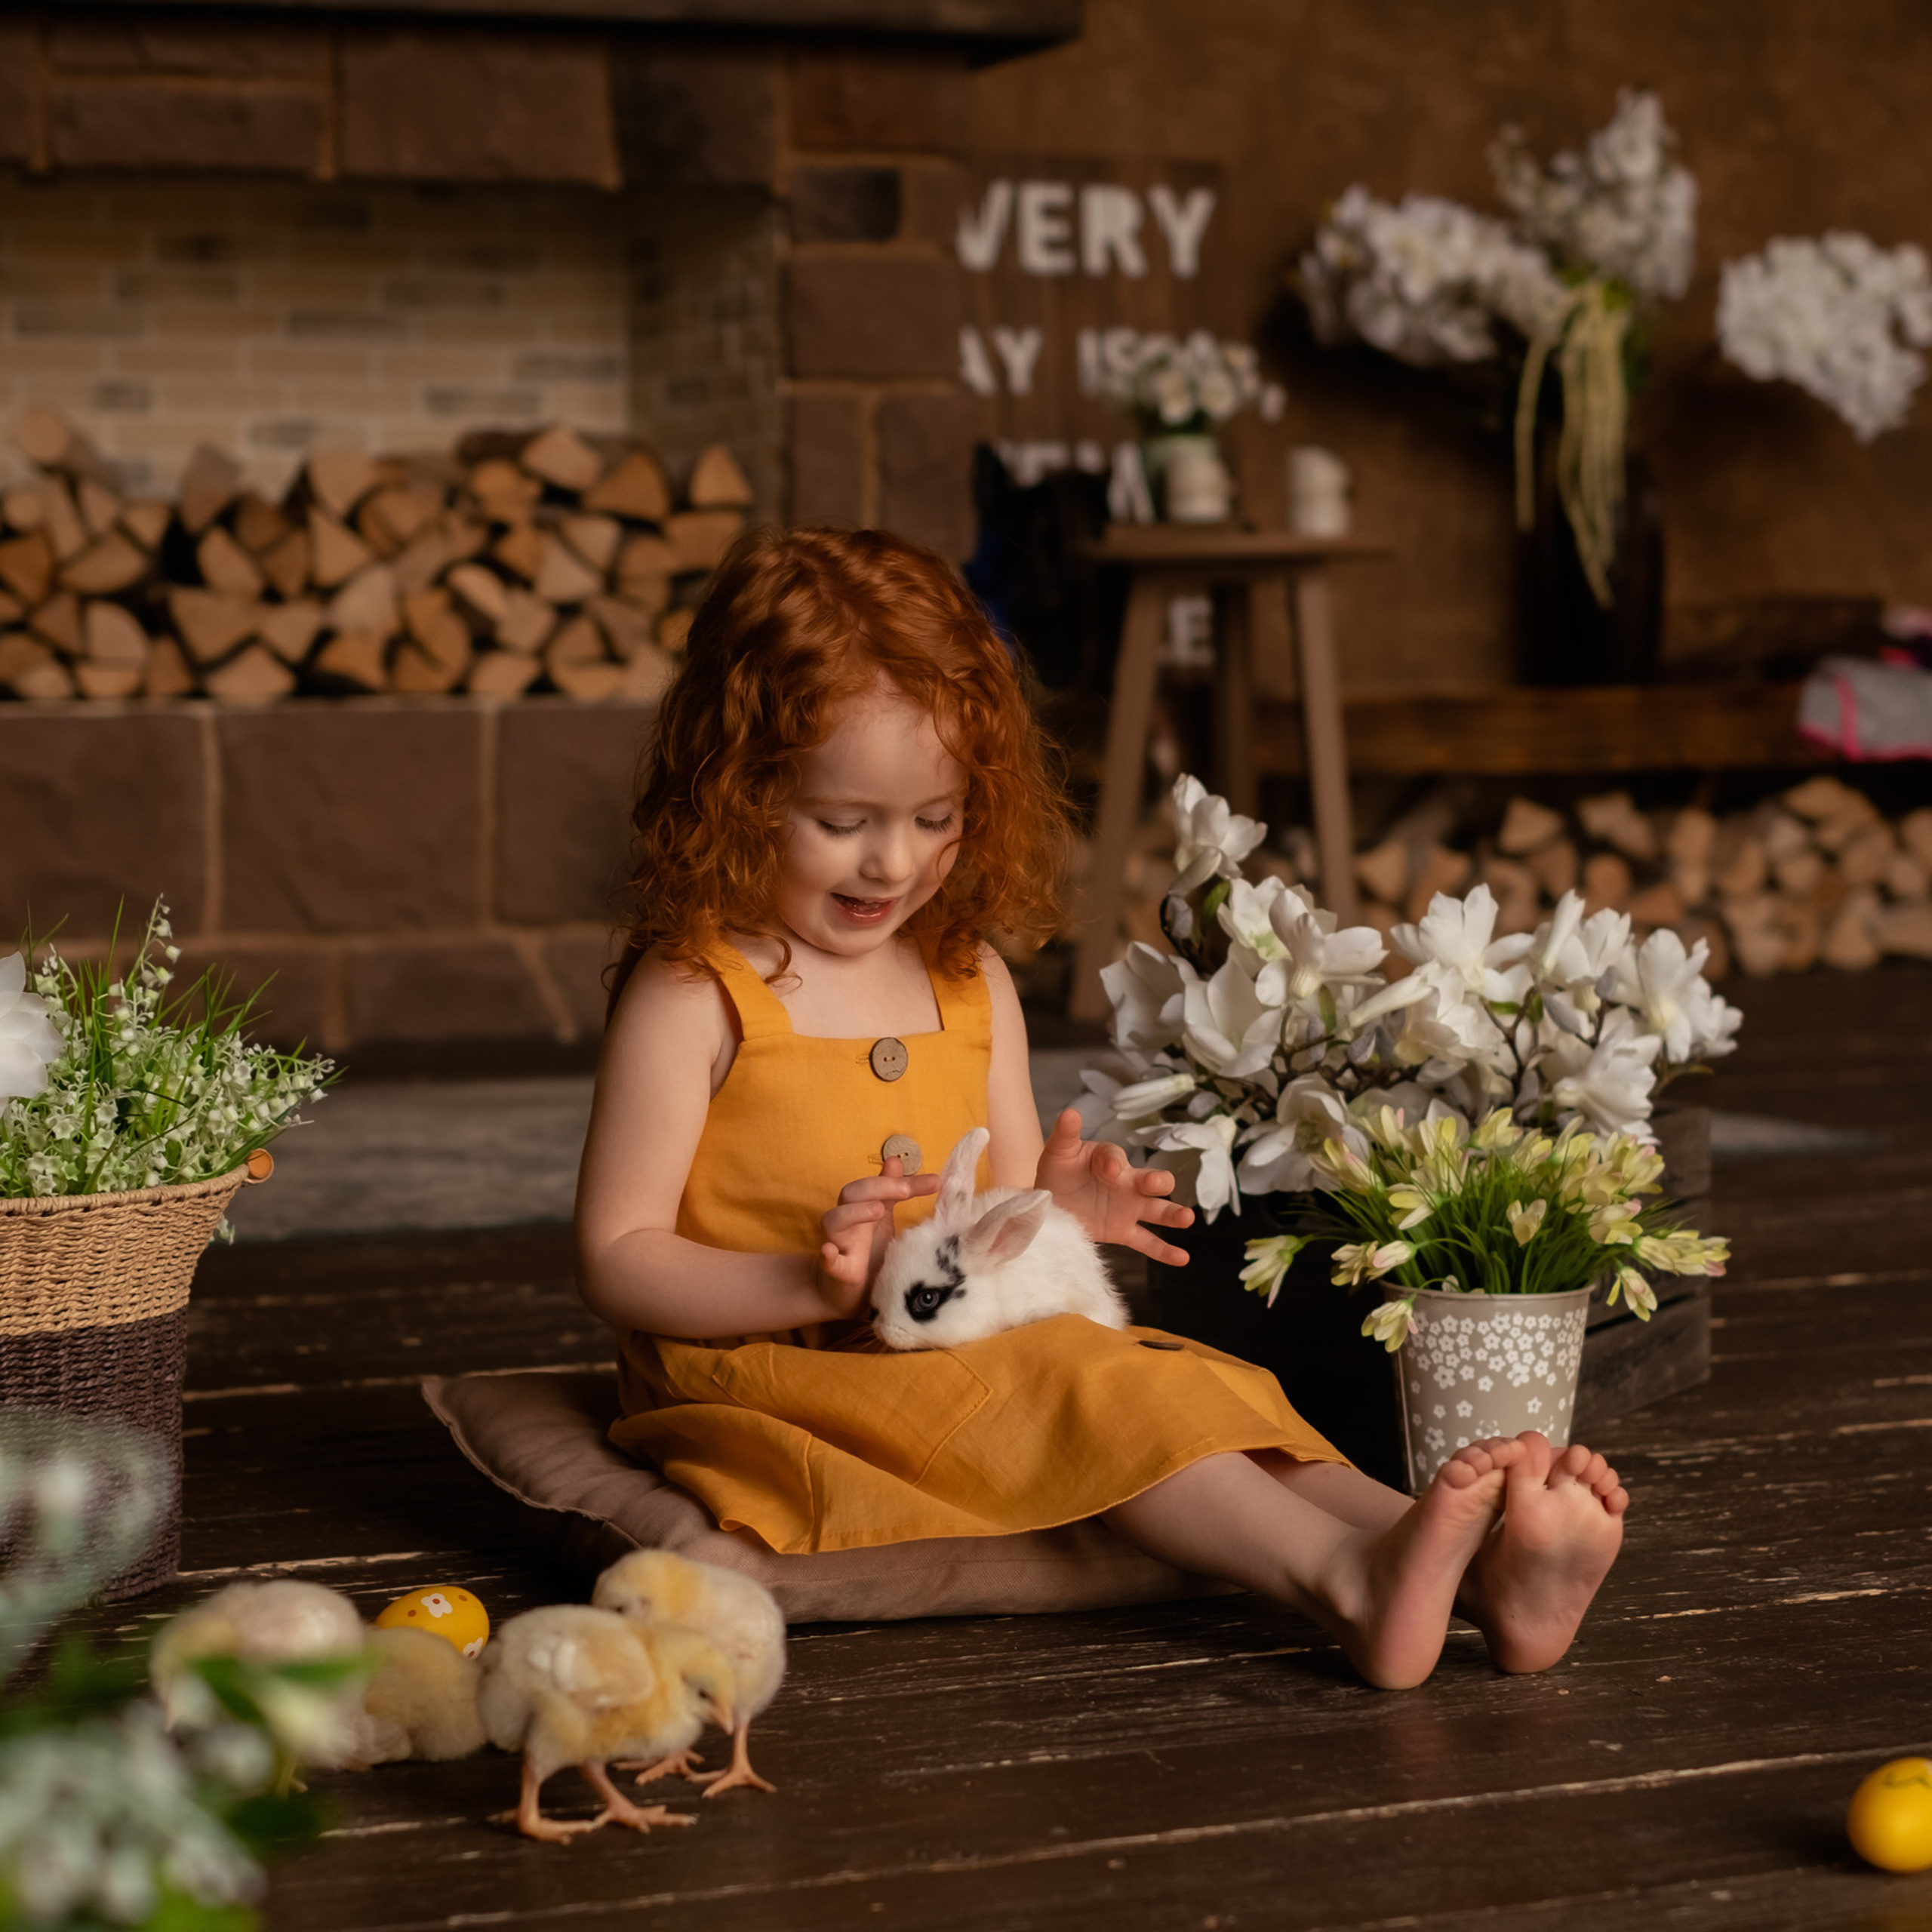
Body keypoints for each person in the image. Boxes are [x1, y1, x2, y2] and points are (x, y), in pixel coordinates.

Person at [574, 526, 1627, 1690]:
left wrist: (1059, 1207)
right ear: (739, 791)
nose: (892, 864)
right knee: (1082, 1389)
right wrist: (807, 1282)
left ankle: (1478, 1566)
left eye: (936, 819)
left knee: (1184, 1377)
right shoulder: (693, 994)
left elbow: (1007, 1209)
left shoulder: (964, 977)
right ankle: (1347, 1580)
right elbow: (617, 1257)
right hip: (780, 1375)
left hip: (947, 1335)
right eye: (843, 822)